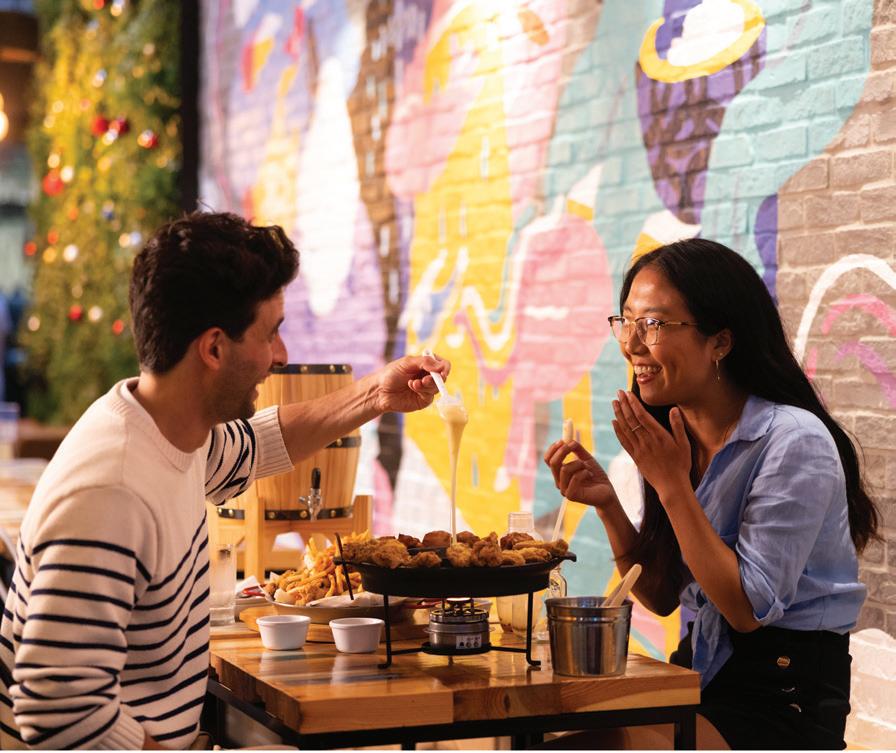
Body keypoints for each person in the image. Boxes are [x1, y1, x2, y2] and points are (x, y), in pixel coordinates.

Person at [0, 211, 450, 749]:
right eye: (271, 333)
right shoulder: (111, 494)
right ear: (213, 348)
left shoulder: (169, 431)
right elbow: (59, 711)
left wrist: (377, 394)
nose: (280, 356)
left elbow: (259, 445)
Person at [544, 238, 877, 750]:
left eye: (653, 324)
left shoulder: (794, 440)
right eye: (625, 321)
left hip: (782, 694)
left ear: (720, 342)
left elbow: (746, 609)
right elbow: (659, 595)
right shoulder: (677, 434)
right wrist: (608, 504)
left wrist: (672, 484)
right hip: (700, 672)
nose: (632, 343)